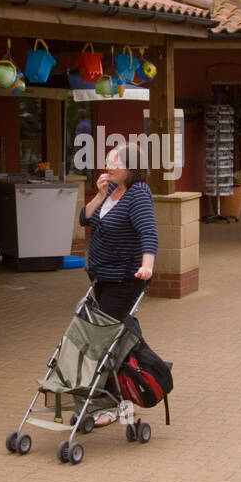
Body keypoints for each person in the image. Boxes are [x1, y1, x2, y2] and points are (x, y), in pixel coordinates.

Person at [79, 143, 158, 426]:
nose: (108, 167)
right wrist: (100, 194)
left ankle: (113, 404)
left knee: (104, 340)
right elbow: (84, 219)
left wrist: (147, 265)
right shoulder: (111, 190)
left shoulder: (138, 194)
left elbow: (148, 231)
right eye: (108, 161)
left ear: (131, 168)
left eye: (115, 163)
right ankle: (130, 389)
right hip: (102, 277)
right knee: (116, 336)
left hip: (125, 279)